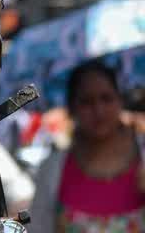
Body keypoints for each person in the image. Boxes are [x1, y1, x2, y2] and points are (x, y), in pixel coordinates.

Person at [29, 61, 145, 233]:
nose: (98, 110)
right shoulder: (52, 169)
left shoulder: (142, 158)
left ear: (120, 101)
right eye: (86, 102)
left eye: (106, 98)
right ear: (72, 108)